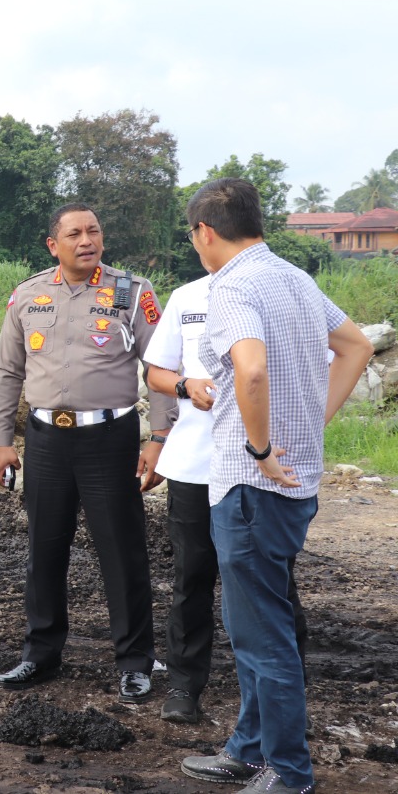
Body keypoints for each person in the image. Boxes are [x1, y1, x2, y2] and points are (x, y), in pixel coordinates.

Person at [179, 179, 371, 794]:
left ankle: (288, 772)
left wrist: (260, 448)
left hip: (251, 486)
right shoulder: (293, 278)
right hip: (290, 484)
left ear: (205, 231)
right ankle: (248, 748)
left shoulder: (231, 286)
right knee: (255, 626)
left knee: (264, 636)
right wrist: (313, 422)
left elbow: (251, 366)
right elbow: (356, 346)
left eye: (192, 235)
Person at [0, 203, 174, 704]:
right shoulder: (28, 295)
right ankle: (40, 654)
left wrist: (159, 438)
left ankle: (135, 661)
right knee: (44, 551)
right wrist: (2, 440)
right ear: (54, 244)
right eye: (74, 233)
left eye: (93, 231)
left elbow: (159, 367)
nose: (86, 240)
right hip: (46, 439)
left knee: (122, 550)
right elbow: (8, 373)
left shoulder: (133, 293)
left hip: (109, 439)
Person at [144, 273, 310, 726]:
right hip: (197, 464)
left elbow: (331, 355)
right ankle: (183, 686)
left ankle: (286, 698)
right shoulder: (187, 296)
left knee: (273, 585)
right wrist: (184, 386)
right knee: (192, 578)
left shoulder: (285, 288)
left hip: (261, 465)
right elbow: (155, 371)